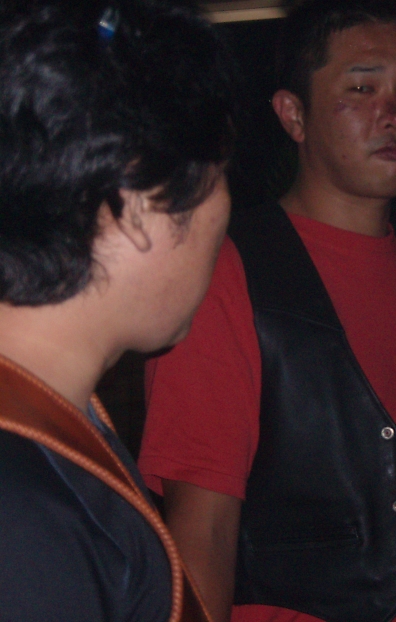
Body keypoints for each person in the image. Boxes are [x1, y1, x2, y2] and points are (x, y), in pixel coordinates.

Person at [137, 2, 396, 622]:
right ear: (293, 115)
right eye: (362, 89)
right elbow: (200, 535)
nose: (395, 115)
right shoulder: (231, 277)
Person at [0, 1, 237, 620]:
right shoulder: (24, 518)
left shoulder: (52, 416)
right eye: (219, 177)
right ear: (135, 204)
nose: (224, 215)